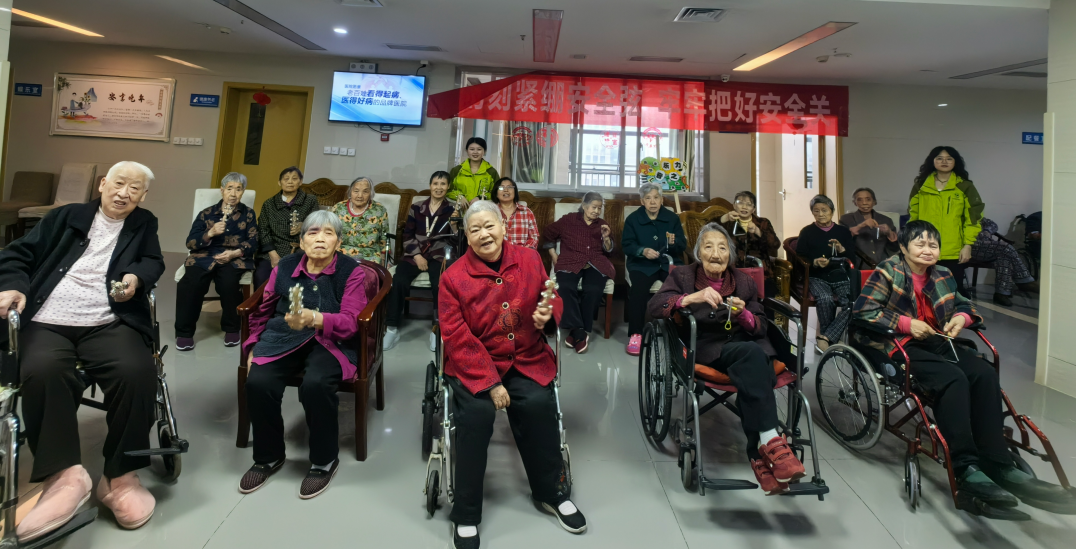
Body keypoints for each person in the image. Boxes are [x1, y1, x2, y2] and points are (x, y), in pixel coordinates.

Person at [854, 220, 1072, 520]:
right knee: (952, 379)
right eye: (920, 243)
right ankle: (965, 466)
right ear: (903, 247)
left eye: (933, 245)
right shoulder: (887, 272)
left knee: (983, 374)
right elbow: (864, 311)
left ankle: (999, 463)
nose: (928, 250)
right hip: (899, 344)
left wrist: (962, 318)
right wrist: (906, 323)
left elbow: (964, 305)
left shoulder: (942, 274)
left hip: (938, 340)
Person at [0, 161, 164, 540]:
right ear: (103, 184)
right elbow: (17, 254)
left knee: (137, 372)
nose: (124, 193)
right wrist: (13, 285)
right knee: (41, 370)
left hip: (108, 320)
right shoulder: (66, 216)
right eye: (118, 183)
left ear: (143, 196)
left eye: (134, 189)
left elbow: (152, 260)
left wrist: (135, 278)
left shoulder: (144, 223)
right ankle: (64, 478)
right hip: (47, 319)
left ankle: (121, 476)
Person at [439, 200, 586, 549]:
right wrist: (490, 383)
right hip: (475, 364)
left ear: (503, 227)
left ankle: (552, 492)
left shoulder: (530, 259)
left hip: (526, 358)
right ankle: (466, 512)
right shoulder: (453, 277)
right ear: (467, 237)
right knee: (475, 418)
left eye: (489, 225)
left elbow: (551, 296)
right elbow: (456, 336)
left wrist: (548, 314)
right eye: (475, 229)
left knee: (537, 405)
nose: (483, 234)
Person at [649, 223, 806, 495]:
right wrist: (689, 298)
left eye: (722, 248)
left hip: (745, 345)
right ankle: (770, 441)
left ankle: (759, 455)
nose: (715, 253)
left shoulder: (744, 282)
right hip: (708, 347)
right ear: (698, 252)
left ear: (730, 255)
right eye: (708, 247)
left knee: (755, 362)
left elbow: (760, 326)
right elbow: (654, 306)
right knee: (756, 360)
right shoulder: (683, 276)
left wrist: (743, 315)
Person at [239, 211, 368, 499]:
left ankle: (324, 460)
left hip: (331, 341)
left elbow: (351, 322)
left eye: (328, 233)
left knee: (316, 384)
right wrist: (253, 345)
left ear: (339, 242)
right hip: (283, 337)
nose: (320, 238)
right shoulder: (284, 267)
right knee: (258, 382)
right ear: (301, 241)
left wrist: (315, 318)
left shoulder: (351, 271)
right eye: (313, 232)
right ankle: (268, 456)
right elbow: (263, 310)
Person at [174, 172, 258, 350]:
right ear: (222, 190)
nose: (233, 194)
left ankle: (232, 328)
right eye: (229, 188)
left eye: (238, 189)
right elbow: (190, 242)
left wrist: (234, 253)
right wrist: (210, 233)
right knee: (190, 284)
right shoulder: (206, 213)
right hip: (203, 256)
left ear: (243, 192)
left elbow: (253, 241)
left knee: (229, 283)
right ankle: (184, 332)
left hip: (233, 258)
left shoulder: (248, 214)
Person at [384, 171, 457, 352]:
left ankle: (436, 329)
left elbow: (456, 241)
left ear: (448, 187)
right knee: (399, 280)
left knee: (440, 284)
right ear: (430, 185)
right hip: (415, 254)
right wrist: (416, 255)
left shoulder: (453, 209)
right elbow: (407, 235)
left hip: (439, 255)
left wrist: (455, 226)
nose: (439, 187)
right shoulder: (416, 207)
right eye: (435, 183)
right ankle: (392, 328)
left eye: (443, 184)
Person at [542, 192, 614, 354]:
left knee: (593, 289)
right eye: (594, 207)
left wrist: (606, 238)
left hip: (596, 263)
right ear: (584, 206)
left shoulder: (603, 225)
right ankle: (580, 331)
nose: (596, 211)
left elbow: (610, 251)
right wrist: (553, 254)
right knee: (565, 287)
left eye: (599, 208)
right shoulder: (568, 220)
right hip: (570, 261)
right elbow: (547, 233)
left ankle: (575, 332)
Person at [908, 146, 985, 297]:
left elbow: (973, 218)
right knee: (924, 290)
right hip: (925, 247)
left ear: (955, 162)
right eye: (939, 158)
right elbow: (913, 216)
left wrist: (968, 245)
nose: (944, 162)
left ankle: (959, 312)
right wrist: (910, 242)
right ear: (932, 161)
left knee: (954, 291)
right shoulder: (921, 186)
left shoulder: (965, 186)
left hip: (953, 250)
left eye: (949, 158)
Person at [622, 183, 686, 355]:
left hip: (667, 262)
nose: (652, 202)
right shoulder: (633, 219)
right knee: (638, 290)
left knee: (682, 286)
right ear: (642, 201)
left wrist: (674, 243)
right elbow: (627, 245)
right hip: (641, 264)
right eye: (648, 198)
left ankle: (680, 333)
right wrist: (642, 251)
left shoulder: (672, 218)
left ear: (661, 200)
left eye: (656, 198)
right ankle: (636, 334)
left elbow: (682, 245)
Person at [796, 195, 855, 352]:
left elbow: (853, 257)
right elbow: (800, 255)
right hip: (817, 276)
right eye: (816, 211)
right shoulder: (807, 232)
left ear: (832, 211)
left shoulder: (843, 231)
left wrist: (842, 250)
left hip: (840, 275)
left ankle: (825, 338)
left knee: (851, 302)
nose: (820, 214)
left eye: (824, 210)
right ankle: (831, 339)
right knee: (825, 298)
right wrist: (814, 262)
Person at [255, 166, 321, 289]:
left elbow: (318, 224)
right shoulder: (269, 204)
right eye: (286, 179)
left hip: (301, 249)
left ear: (300, 182)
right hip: (273, 250)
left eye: (294, 179)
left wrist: (304, 225)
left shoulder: (310, 201)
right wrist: (273, 256)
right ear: (279, 182)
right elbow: (263, 230)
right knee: (261, 276)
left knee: (301, 280)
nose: (290, 182)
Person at [719, 191, 782, 297]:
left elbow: (775, 244)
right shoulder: (728, 222)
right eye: (740, 202)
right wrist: (724, 218)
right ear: (734, 205)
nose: (744, 207)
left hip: (760, 272)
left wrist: (758, 231)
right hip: (733, 272)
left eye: (749, 204)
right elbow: (706, 231)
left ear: (753, 209)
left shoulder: (763, 223)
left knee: (767, 297)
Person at [971, 218, 1038, 306]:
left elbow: (991, 223)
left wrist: (986, 231)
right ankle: (1024, 280)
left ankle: (1001, 293)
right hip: (968, 246)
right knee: (1005, 248)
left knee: (1004, 257)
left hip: (983, 245)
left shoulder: (976, 214)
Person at [331, 176, 390, 263]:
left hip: (369, 257)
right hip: (340, 254)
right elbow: (328, 232)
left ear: (371, 194)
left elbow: (384, 237)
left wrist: (384, 261)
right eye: (356, 191)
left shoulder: (379, 210)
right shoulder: (339, 208)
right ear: (350, 192)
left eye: (365, 192)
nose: (360, 196)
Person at [839, 187, 898, 269]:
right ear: (855, 203)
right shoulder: (846, 219)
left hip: (883, 265)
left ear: (874, 202)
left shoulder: (886, 220)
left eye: (868, 199)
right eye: (860, 200)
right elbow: (842, 243)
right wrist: (861, 225)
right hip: (859, 266)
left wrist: (889, 233)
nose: (864, 203)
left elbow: (895, 248)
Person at [448, 137, 500, 206]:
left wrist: (482, 197)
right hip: (459, 210)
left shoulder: (491, 171)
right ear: (467, 151)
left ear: (484, 151)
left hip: (483, 210)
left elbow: (497, 192)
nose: (475, 152)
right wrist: (459, 196)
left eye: (479, 149)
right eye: (472, 149)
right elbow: (448, 190)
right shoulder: (456, 170)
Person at [494, 177, 539, 249]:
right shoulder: (491, 212)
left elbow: (534, 237)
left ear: (515, 192)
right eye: (501, 188)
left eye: (509, 187)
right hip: (498, 253)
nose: (506, 190)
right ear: (496, 193)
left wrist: (524, 252)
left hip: (522, 253)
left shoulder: (526, 212)